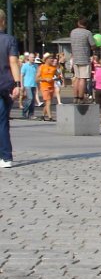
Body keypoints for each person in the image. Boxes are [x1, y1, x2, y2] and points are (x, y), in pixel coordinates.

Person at [0, 9, 22, 169]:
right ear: (3, 21)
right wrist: (18, 84)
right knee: (2, 121)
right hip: (5, 84)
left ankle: (5, 155)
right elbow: (13, 62)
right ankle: (6, 156)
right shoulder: (9, 40)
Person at [69, 17, 95, 104]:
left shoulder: (73, 32)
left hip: (75, 58)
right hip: (84, 58)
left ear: (78, 23)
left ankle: (75, 97)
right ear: (86, 24)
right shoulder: (88, 33)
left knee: (77, 78)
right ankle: (81, 97)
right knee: (83, 79)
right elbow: (93, 45)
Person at [37, 53, 58, 121]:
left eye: (52, 58)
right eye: (50, 58)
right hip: (44, 86)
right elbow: (37, 78)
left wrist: (55, 78)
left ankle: (42, 116)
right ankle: (50, 117)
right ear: (46, 59)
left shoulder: (53, 68)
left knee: (48, 103)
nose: (52, 60)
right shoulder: (42, 67)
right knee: (48, 101)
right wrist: (45, 79)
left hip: (51, 86)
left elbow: (58, 76)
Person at [20, 53, 38, 119]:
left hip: (34, 84)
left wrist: (38, 84)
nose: (33, 59)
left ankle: (31, 114)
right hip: (27, 84)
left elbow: (37, 75)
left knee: (33, 101)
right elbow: (22, 75)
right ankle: (24, 111)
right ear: (28, 58)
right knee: (30, 98)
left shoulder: (36, 66)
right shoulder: (25, 65)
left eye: (34, 57)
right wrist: (22, 85)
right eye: (32, 57)